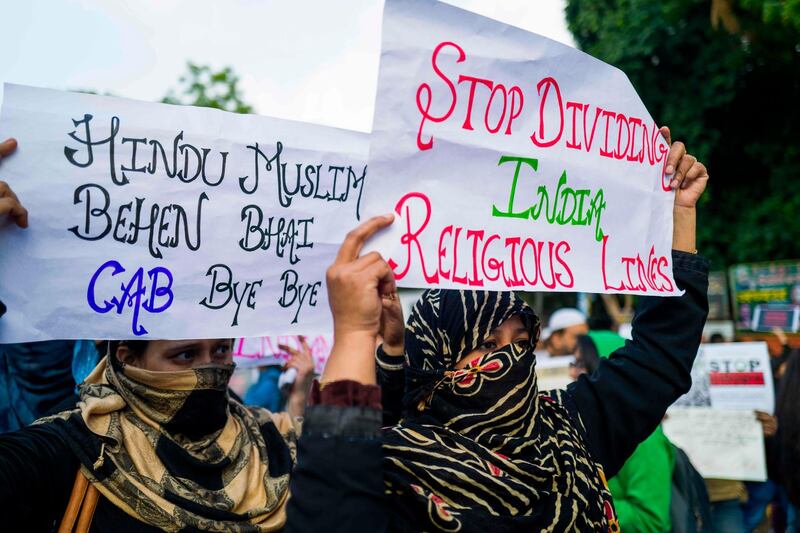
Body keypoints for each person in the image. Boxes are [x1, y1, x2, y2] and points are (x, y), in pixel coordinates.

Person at [287, 128, 712, 532]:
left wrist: (676, 219)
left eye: (522, 343)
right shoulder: (394, 466)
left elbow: (658, 360)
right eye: (487, 343)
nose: (509, 358)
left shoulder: (567, 428)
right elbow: (333, 508)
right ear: (438, 358)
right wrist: (357, 333)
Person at [0, 139, 308, 532]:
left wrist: (387, 351)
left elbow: (367, 465)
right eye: (184, 355)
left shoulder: (276, 441)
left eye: (221, 350)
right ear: (127, 357)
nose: (208, 370)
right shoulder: (70, 449)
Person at [573, 332, 675, 533]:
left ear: (607, 371)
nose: (572, 373)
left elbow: (651, 520)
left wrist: (579, 500)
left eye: (580, 364)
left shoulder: (643, 436)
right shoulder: (592, 423)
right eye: (573, 363)